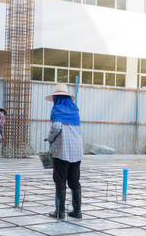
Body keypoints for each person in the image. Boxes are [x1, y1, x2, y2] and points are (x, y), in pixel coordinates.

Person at [45, 83, 84, 219]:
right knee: (74, 180)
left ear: (57, 98)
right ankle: (77, 212)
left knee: (60, 180)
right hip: (77, 151)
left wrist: (50, 138)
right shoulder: (75, 111)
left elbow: (56, 127)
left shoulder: (57, 110)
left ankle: (60, 212)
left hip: (63, 151)